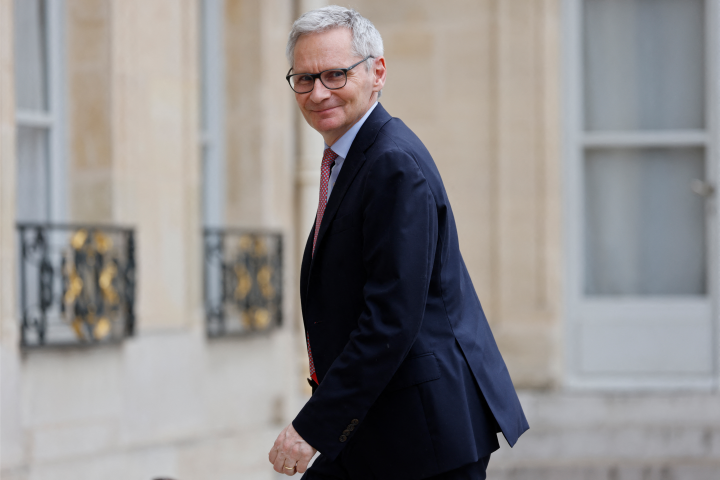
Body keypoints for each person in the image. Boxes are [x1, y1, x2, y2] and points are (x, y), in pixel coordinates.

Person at [269, 6, 528, 479]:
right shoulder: (355, 156)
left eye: (334, 74)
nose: (318, 92)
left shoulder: (392, 163)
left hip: (424, 435)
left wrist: (314, 427)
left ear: (377, 72)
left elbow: (391, 320)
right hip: (380, 425)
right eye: (304, 79)